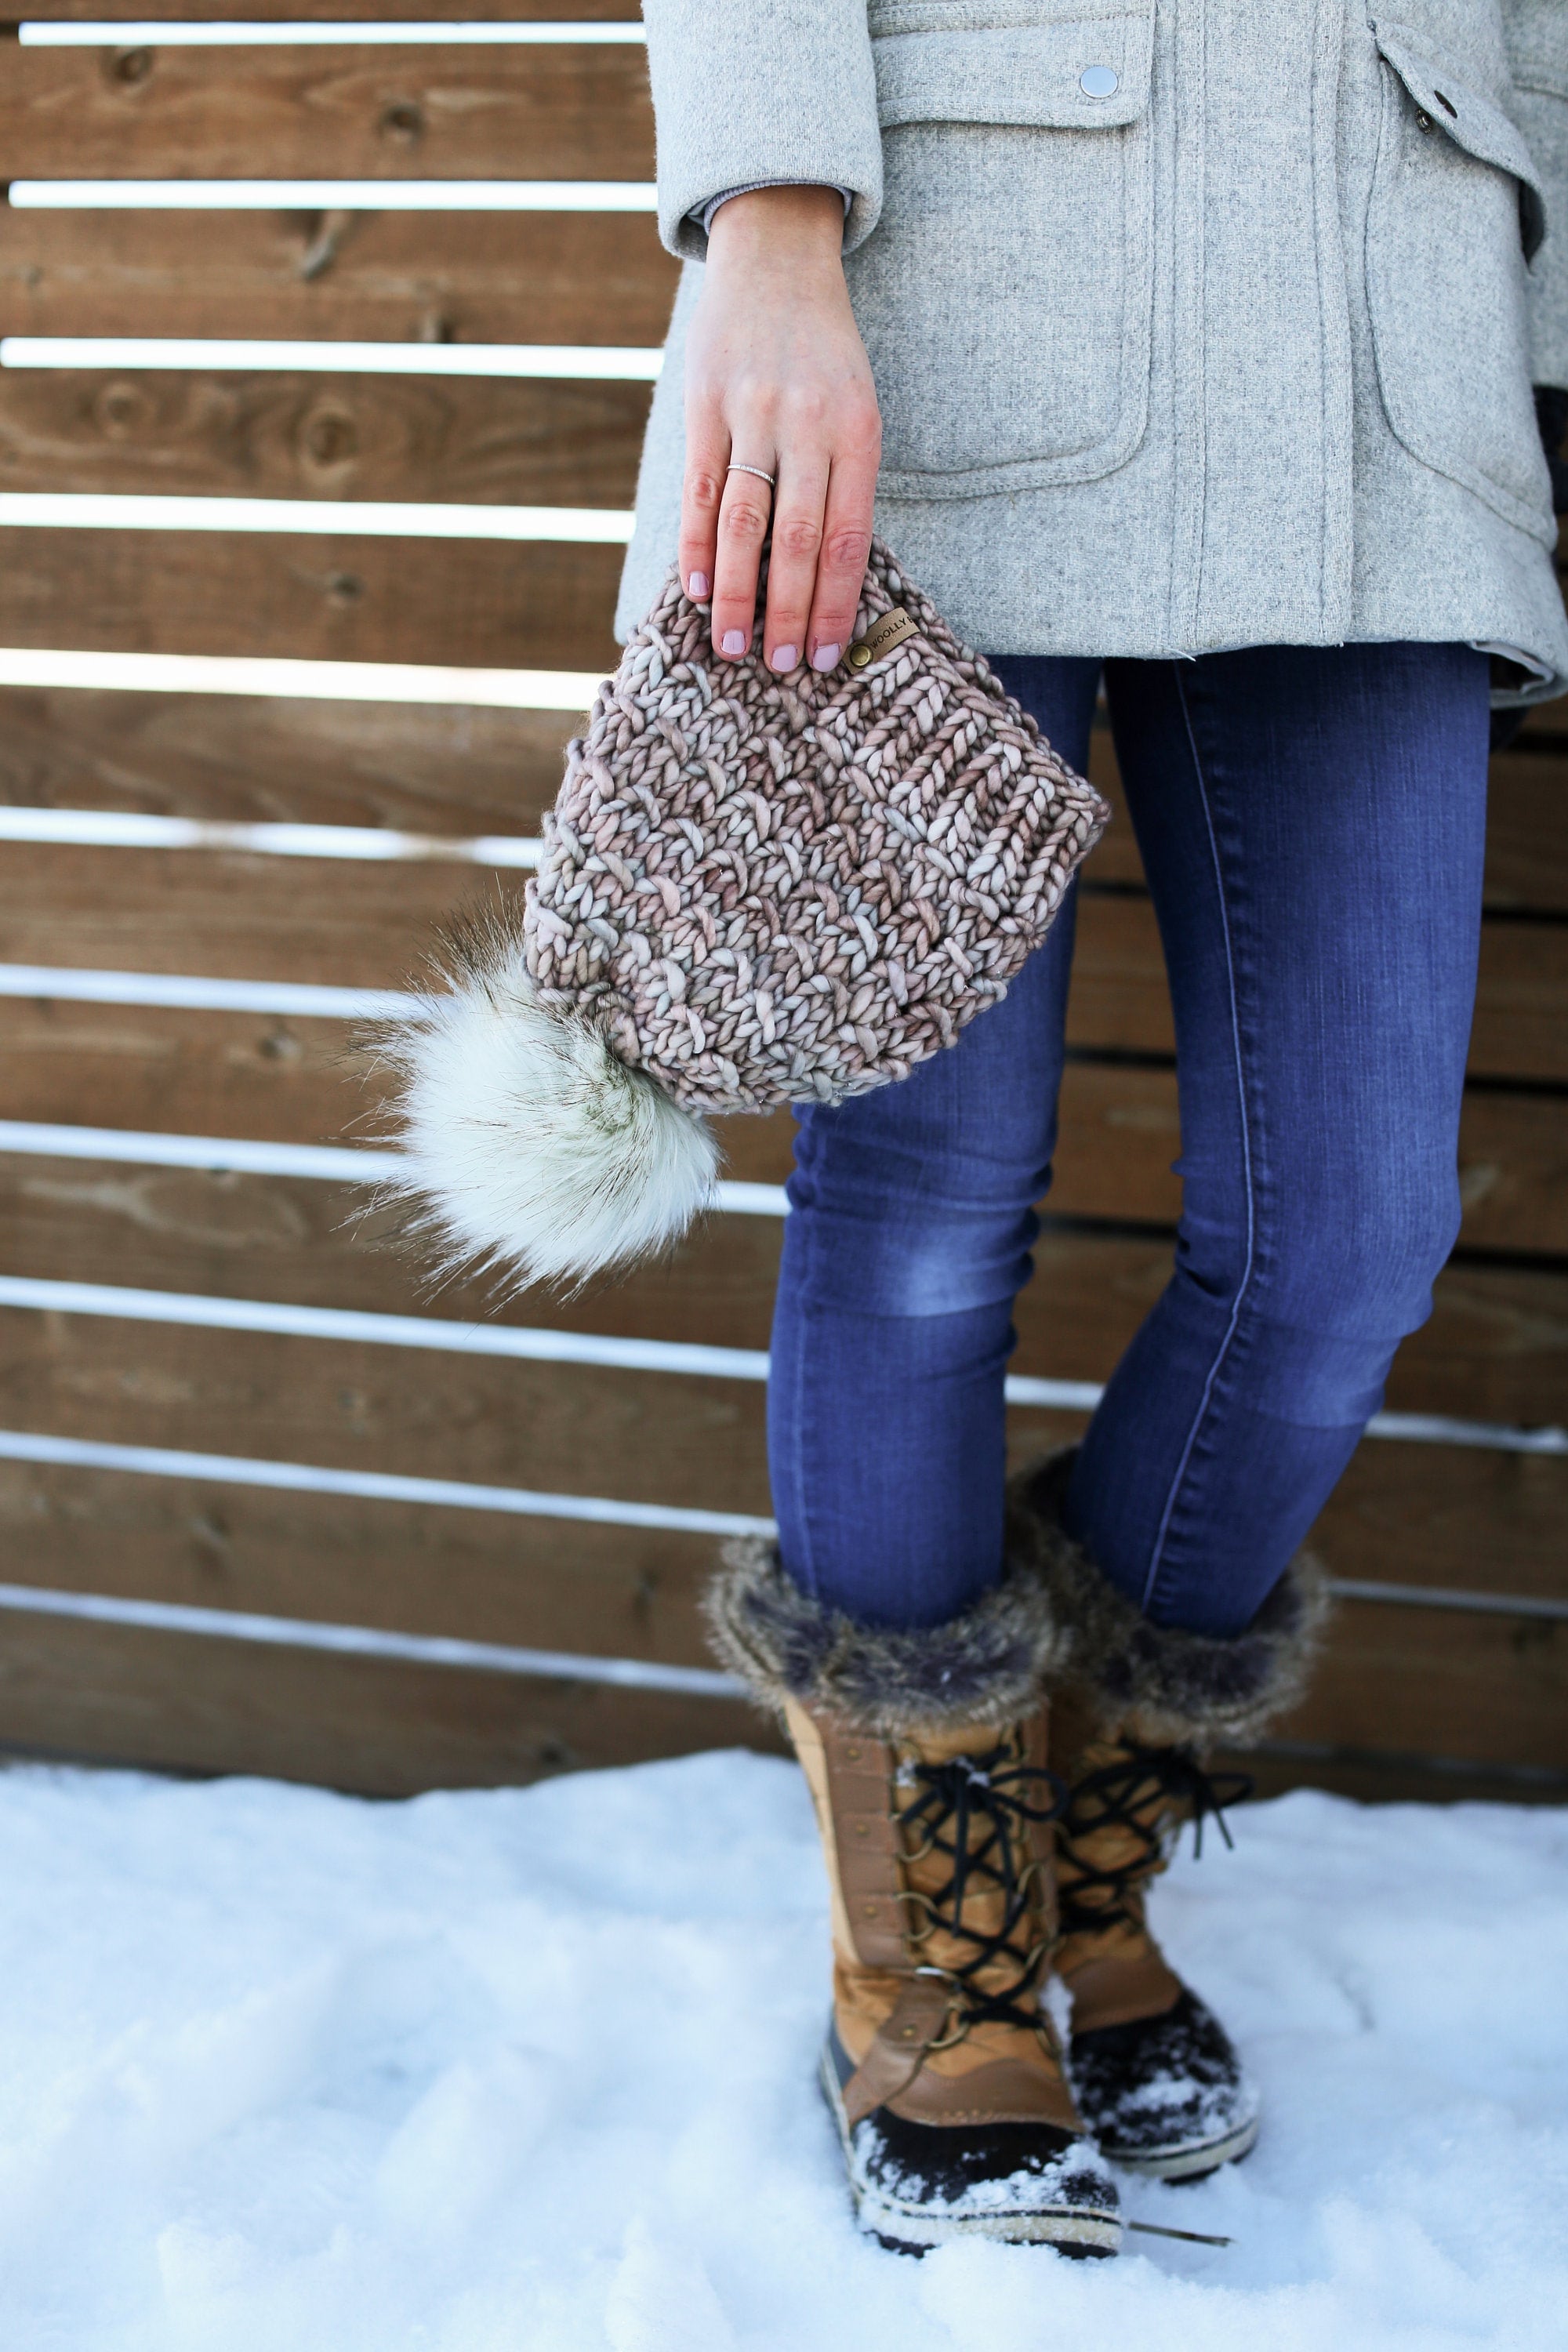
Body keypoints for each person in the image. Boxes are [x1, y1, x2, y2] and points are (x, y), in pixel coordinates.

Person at [615, 0, 1568, 2256]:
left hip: (1392, 361)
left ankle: (1055, 1837)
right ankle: (936, 1955)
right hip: (956, 309)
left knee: (1346, 1237)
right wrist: (766, 213)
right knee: (928, 1200)